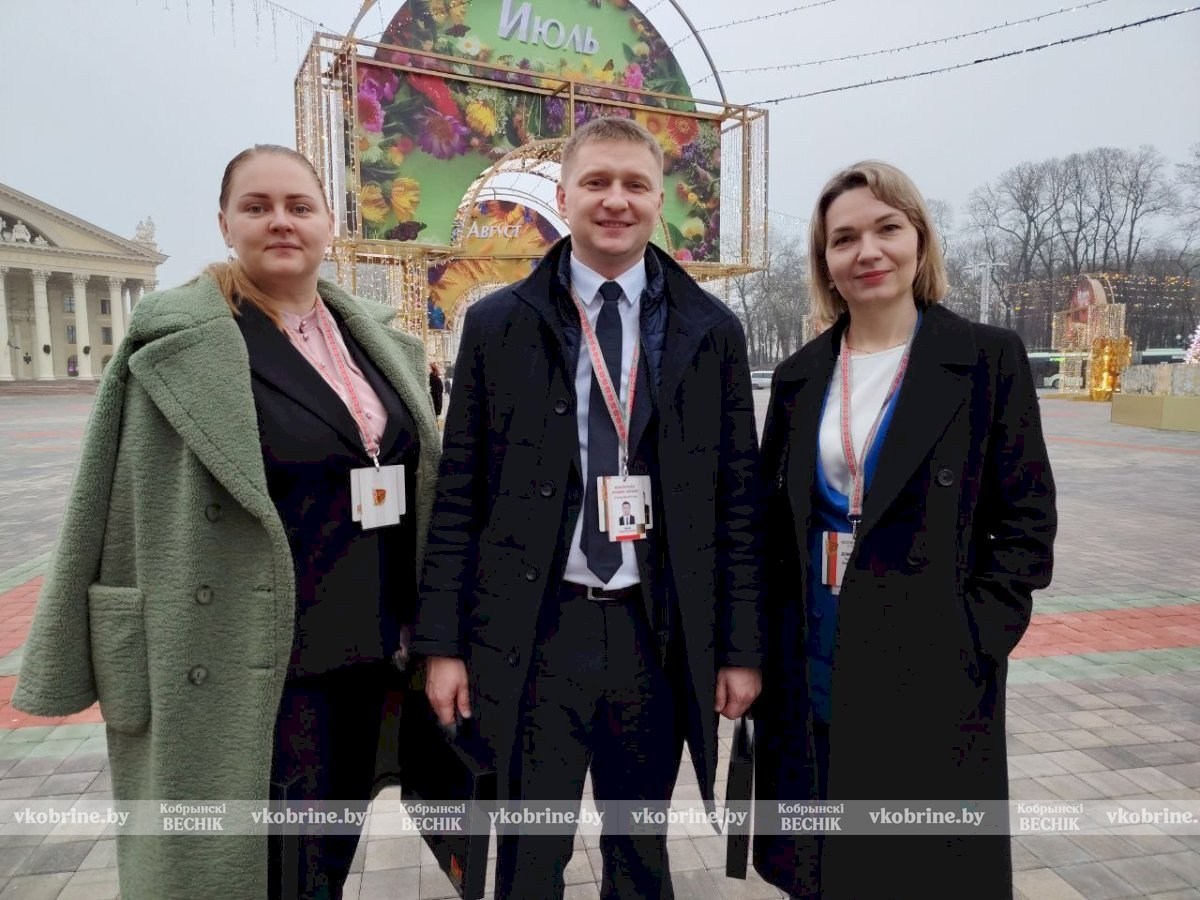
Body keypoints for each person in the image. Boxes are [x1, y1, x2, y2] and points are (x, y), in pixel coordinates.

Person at [12, 144, 441, 900]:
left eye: (299, 207)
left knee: (324, 863)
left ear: (328, 225)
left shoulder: (378, 343)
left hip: (373, 655)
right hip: (256, 663)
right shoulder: (175, 345)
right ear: (224, 224)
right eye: (257, 206)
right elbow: (100, 502)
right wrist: (71, 651)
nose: (281, 222)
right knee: (266, 874)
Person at [413, 116, 766, 899]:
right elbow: (459, 494)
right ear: (565, 197)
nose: (616, 200)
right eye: (597, 183)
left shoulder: (711, 332)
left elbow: (737, 504)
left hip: (655, 634)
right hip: (534, 632)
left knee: (640, 853)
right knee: (530, 856)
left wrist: (741, 650)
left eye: (635, 184)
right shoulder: (499, 324)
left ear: (659, 202)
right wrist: (442, 645)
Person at [752, 161, 1056, 898]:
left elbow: (1027, 519)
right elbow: (770, 527)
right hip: (815, 652)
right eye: (844, 238)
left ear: (919, 239)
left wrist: (977, 634)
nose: (868, 251)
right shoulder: (798, 377)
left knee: (920, 869)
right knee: (825, 864)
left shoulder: (985, 360)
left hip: (933, 662)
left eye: (887, 228)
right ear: (825, 260)